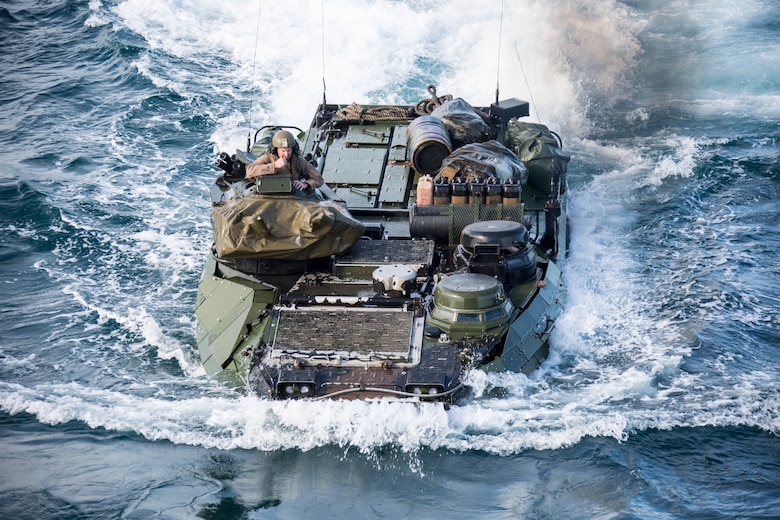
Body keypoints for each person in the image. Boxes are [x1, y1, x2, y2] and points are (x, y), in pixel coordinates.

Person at [245, 130, 323, 191]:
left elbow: (318, 179)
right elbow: (250, 171)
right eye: (283, 151)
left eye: (289, 150)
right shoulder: (267, 158)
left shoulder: (299, 161)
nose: (286, 154)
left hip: (293, 197)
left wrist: (305, 184)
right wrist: (274, 166)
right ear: (276, 149)